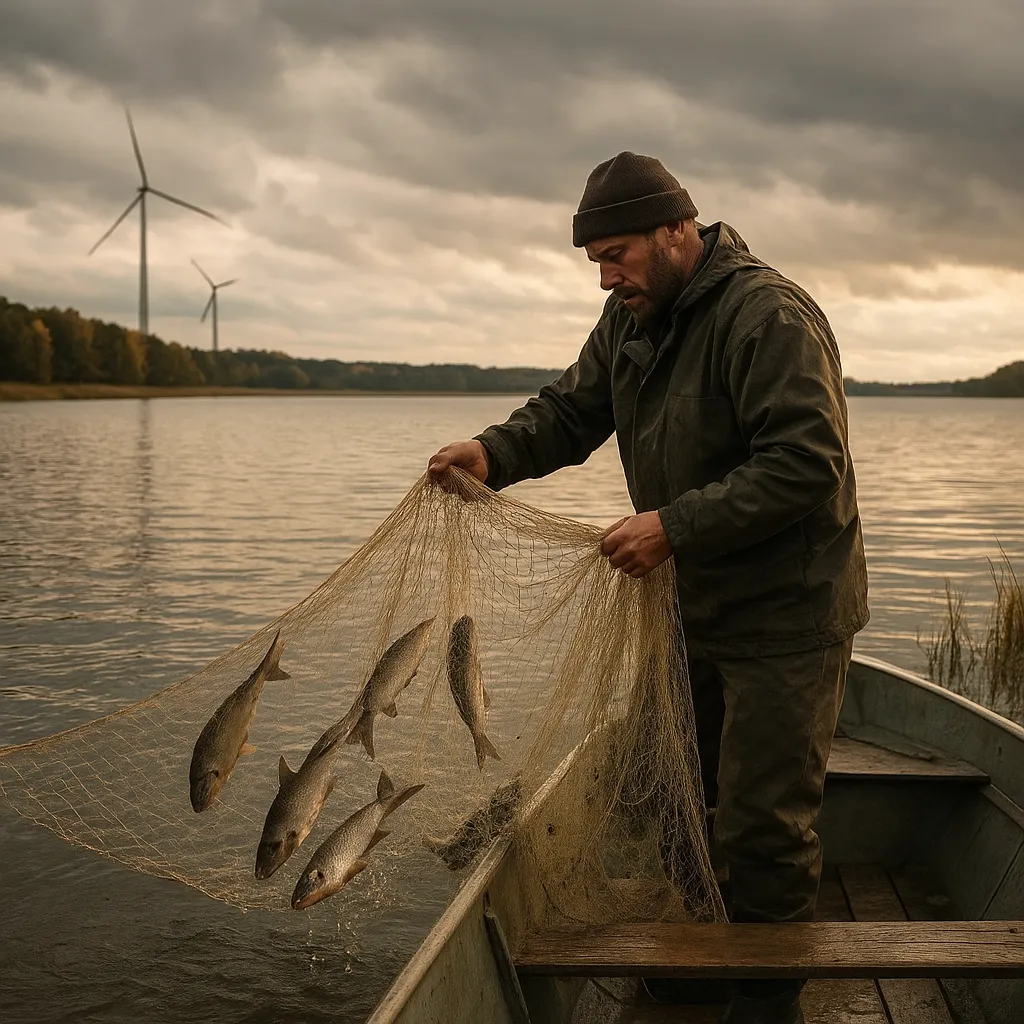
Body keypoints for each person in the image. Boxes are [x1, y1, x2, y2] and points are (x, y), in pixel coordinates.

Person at [428, 151, 869, 1024]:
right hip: (688, 605)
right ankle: (699, 960)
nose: (606, 275)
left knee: (762, 828)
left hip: (788, 614)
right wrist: (494, 454)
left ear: (679, 230)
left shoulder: (765, 316)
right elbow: (571, 410)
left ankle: (766, 1003)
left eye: (618, 252)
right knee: (672, 797)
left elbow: (806, 465)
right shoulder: (631, 319)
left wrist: (672, 525)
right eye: (594, 260)